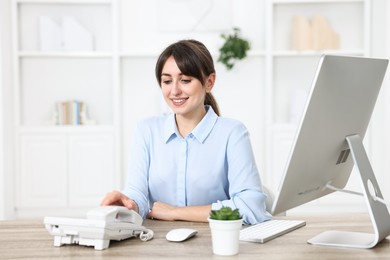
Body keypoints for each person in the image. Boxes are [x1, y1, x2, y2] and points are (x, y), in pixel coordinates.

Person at [101, 39, 271, 225]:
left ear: (209, 82)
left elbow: (251, 208)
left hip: (216, 242)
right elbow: (138, 193)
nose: (174, 91)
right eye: (166, 81)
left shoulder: (232, 133)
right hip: (159, 243)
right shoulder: (146, 130)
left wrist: (176, 212)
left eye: (185, 80)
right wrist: (129, 204)